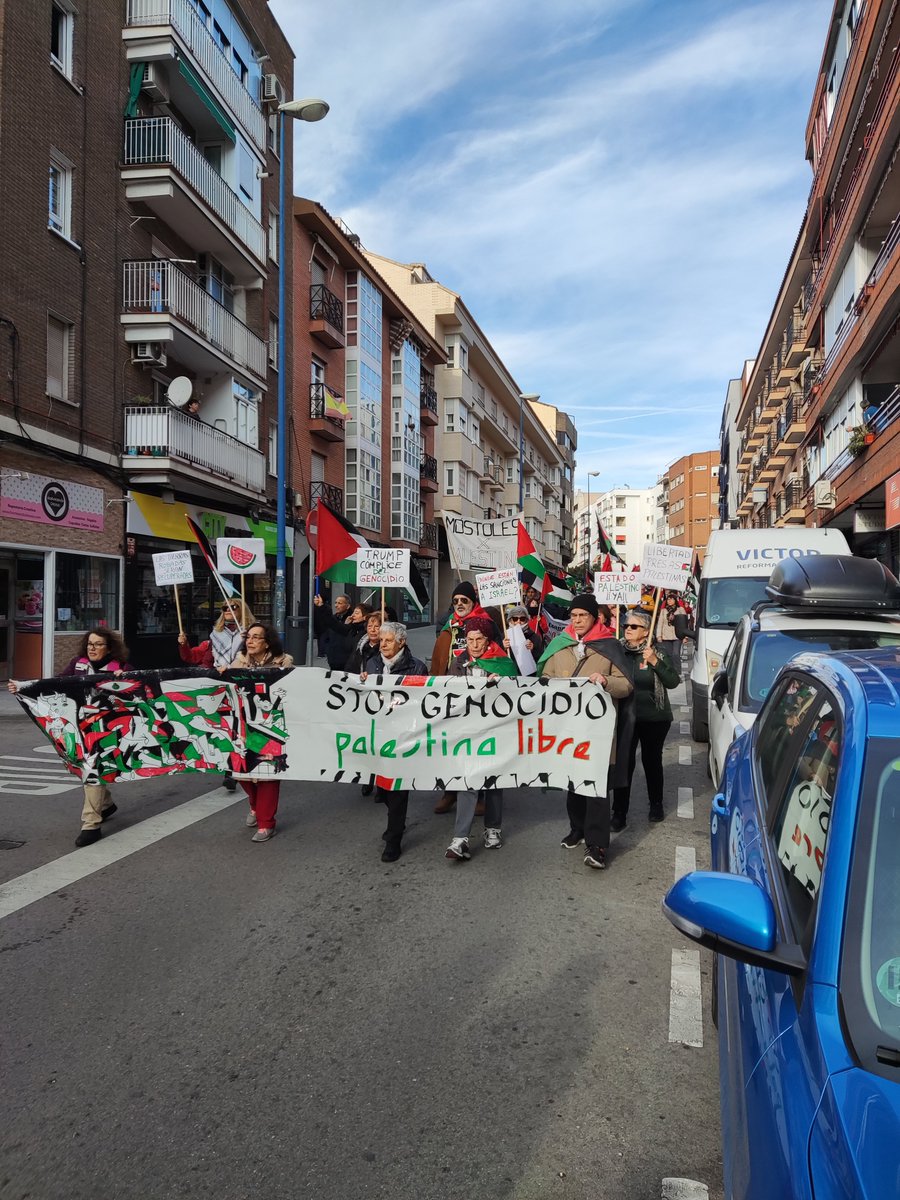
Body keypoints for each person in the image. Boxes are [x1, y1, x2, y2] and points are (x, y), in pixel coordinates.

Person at [8, 628, 133, 848]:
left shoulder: (121, 668)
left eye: (97, 644)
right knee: (86, 768)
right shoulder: (78, 663)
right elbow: (56, 684)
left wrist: (126, 680)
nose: (92, 648)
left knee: (91, 769)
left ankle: (91, 824)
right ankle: (106, 804)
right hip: (81, 727)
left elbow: (138, 693)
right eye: (89, 644)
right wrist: (23, 687)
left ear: (109, 647)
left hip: (108, 730)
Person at [538, 594, 633, 871]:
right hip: (568, 729)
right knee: (572, 781)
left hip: (598, 732)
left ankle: (597, 843)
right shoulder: (560, 646)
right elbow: (545, 677)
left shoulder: (609, 646)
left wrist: (605, 681)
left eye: (583, 615)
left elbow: (625, 685)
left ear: (595, 618)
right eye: (574, 615)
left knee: (596, 787)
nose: (577, 620)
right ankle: (576, 828)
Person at [445, 617, 518, 860]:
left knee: (494, 780)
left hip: (495, 729)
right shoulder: (458, 662)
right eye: (471, 640)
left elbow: (517, 693)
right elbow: (447, 691)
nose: (474, 644)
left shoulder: (504, 663)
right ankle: (460, 837)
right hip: (466, 730)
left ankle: (493, 829)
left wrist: (501, 686)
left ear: (488, 640)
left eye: (480, 639)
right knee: (466, 779)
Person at [360, 622, 429, 863]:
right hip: (378, 732)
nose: (383, 644)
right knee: (385, 789)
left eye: (389, 640)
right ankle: (394, 822)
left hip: (403, 735)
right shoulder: (372, 663)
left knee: (398, 788)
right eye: (381, 639)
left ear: (402, 642)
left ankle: (394, 839)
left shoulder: (417, 667)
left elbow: (423, 701)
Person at [430, 581, 501, 815]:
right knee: (451, 744)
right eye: (456, 601)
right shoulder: (449, 626)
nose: (459, 604)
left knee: (477, 746)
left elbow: (498, 654)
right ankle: (450, 792)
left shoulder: (486, 623)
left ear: (473, 602)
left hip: (480, 696)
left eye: (464, 600)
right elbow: (439, 656)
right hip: (451, 691)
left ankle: (479, 793)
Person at [611, 607, 681, 829]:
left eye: (633, 626)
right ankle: (619, 813)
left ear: (645, 630)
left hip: (654, 718)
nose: (628, 630)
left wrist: (654, 661)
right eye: (625, 626)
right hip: (625, 717)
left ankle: (656, 804)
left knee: (652, 762)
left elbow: (672, 681)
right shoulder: (618, 652)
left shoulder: (657, 652)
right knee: (625, 764)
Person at [225, 624, 294, 842]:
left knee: (267, 774)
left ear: (267, 642)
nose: (250, 641)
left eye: (256, 637)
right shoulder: (238, 661)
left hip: (270, 728)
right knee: (241, 771)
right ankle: (255, 805)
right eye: (248, 637)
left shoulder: (283, 662)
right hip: (242, 726)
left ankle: (266, 823)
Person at [178, 598, 254, 791]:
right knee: (228, 728)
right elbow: (194, 657)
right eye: (224, 608)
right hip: (221, 687)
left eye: (232, 607)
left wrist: (248, 644)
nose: (227, 610)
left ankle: (241, 765)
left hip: (245, 685)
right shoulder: (215, 636)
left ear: (241, 610)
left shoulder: (252, 633)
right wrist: (184, 645)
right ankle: (232, 769)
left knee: (243, 727)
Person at [313, 592, 351, 659]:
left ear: (348, 606)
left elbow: (337, 626)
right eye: (335, 603)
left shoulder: (351, 619)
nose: (336, 605)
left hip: (346, 657)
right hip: (333, 657)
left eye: (339, 603)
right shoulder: (335, 617)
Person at [656, 594, 682, 673]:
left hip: (677, 636)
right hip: (666, 636)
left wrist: (685, 636)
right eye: (668, 599)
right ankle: (672, 673)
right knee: (669, 655)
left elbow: (683, 623)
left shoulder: (680, 610)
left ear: (675, 600)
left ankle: (678, 672)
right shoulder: (663, 611)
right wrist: (658, 635)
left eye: (671, 599)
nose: (669, 601)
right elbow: (660, 623)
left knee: (676, 654)